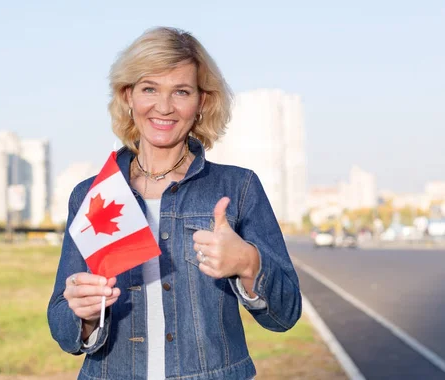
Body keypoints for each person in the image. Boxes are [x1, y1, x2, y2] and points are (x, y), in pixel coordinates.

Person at [48, 26, 302, 380]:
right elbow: (62, 328)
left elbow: (285, 313)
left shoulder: (238, 187)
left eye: (181, 91)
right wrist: (84, 314)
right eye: (150, 88)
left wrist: (248, 262)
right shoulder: (93, 194)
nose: (164, 107)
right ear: (128, 97)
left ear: (202, 102)